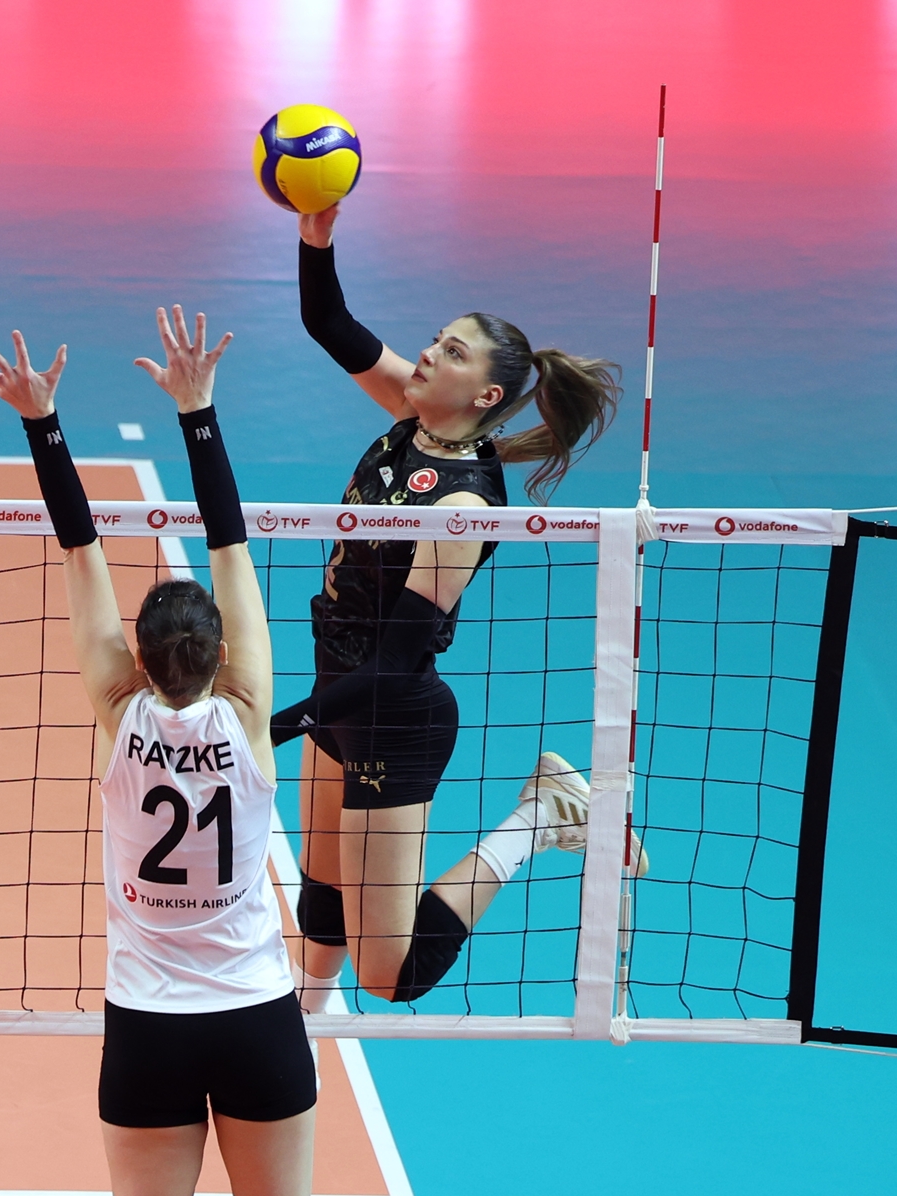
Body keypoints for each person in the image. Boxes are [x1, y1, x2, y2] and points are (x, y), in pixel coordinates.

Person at [0, 307, 314, 1196]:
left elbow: (80, 551)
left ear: (139, 659)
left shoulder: (119, 713)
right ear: (223, 654)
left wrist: (41, 423)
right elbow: (230, 545)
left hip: (148, 1028)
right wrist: (198, 410)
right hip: (256, 1018)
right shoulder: (248, 713)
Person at [270, 202, 649, 1011]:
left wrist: (277, 726)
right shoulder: (413, 419)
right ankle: (299, 1039)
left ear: (484, 394)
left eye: (452, 351)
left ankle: (538, 821)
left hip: (391, 714)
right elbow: (327, 321)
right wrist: (316, 236)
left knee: (390, 975)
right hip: (339, 687)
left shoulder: (462, 506)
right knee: (321, 907)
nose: (427, 353)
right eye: (438, 339)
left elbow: (396, 660)